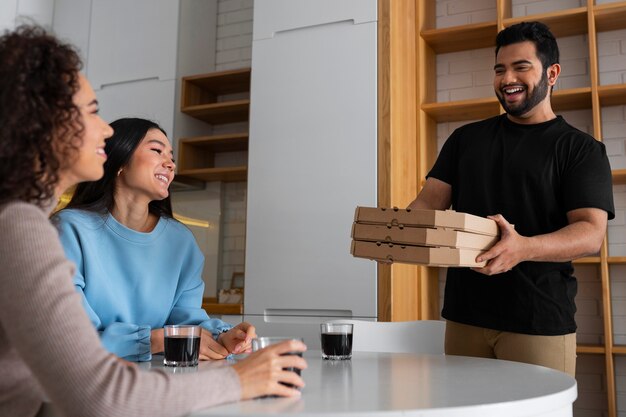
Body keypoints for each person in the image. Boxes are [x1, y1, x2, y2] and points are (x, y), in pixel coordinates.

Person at [0, 25, 306, 417]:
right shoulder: (22, 227)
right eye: (92, 112)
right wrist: (243, 379)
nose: (106, 130)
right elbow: (100, 394)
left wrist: (216, 336)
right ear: (44, 121)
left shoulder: (23, 221)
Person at [408, 21, 614, 377]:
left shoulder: (581, 149)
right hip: (465, 317)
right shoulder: (465, 140)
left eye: (521, 67)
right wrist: (397, 237)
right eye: (500, 69)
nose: (508, 79)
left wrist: (523, 247)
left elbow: (590, 233)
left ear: (552, 73)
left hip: (538, 320)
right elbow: (429, 202)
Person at [54, 117, 254, 362]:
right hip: (80, 380)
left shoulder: (180, 241)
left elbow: (186, 320)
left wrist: (221, 336)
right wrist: (158, 340)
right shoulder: (69, 229)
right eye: (157, 150)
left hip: (156, 378)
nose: (170, 164)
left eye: (172, 157)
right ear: (119, 161)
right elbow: (69, 336)